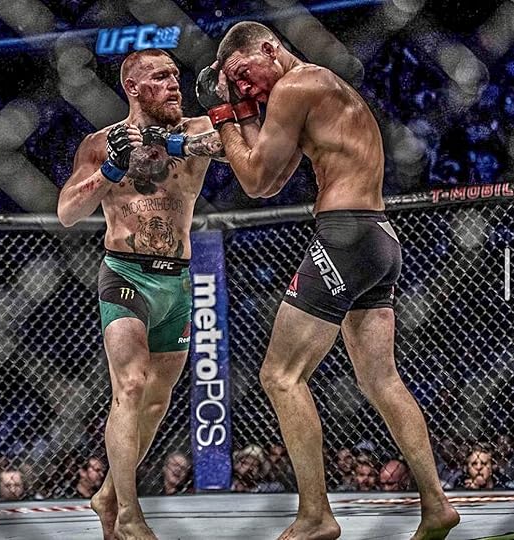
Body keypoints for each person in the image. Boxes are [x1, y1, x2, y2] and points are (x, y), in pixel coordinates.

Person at [194, 21, 460, 540]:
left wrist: (223, 111)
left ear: (269, 49)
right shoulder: (318, 88)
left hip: (344, 236)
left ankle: (315, 514)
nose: (245, 87)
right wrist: (226, 119)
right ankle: (436, 504)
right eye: (237, 83)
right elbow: (268, 172)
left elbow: (255, 181)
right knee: (381, 380)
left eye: (244, 74)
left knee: (281, 375)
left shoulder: (295, 86)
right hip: (378, 239)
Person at [57, 48, 226, 540]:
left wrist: (168, 140)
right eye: (160, 76)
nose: (174, 83)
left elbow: (239, 144)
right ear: (133, 87)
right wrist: (111, 169)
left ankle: (109, 494)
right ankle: (129, 515)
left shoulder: (195, 131)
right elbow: (67, 212)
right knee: (130, 386)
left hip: (177, 280)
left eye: (175, 74)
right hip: (125, 276)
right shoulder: (100, 142)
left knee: (155, 401)